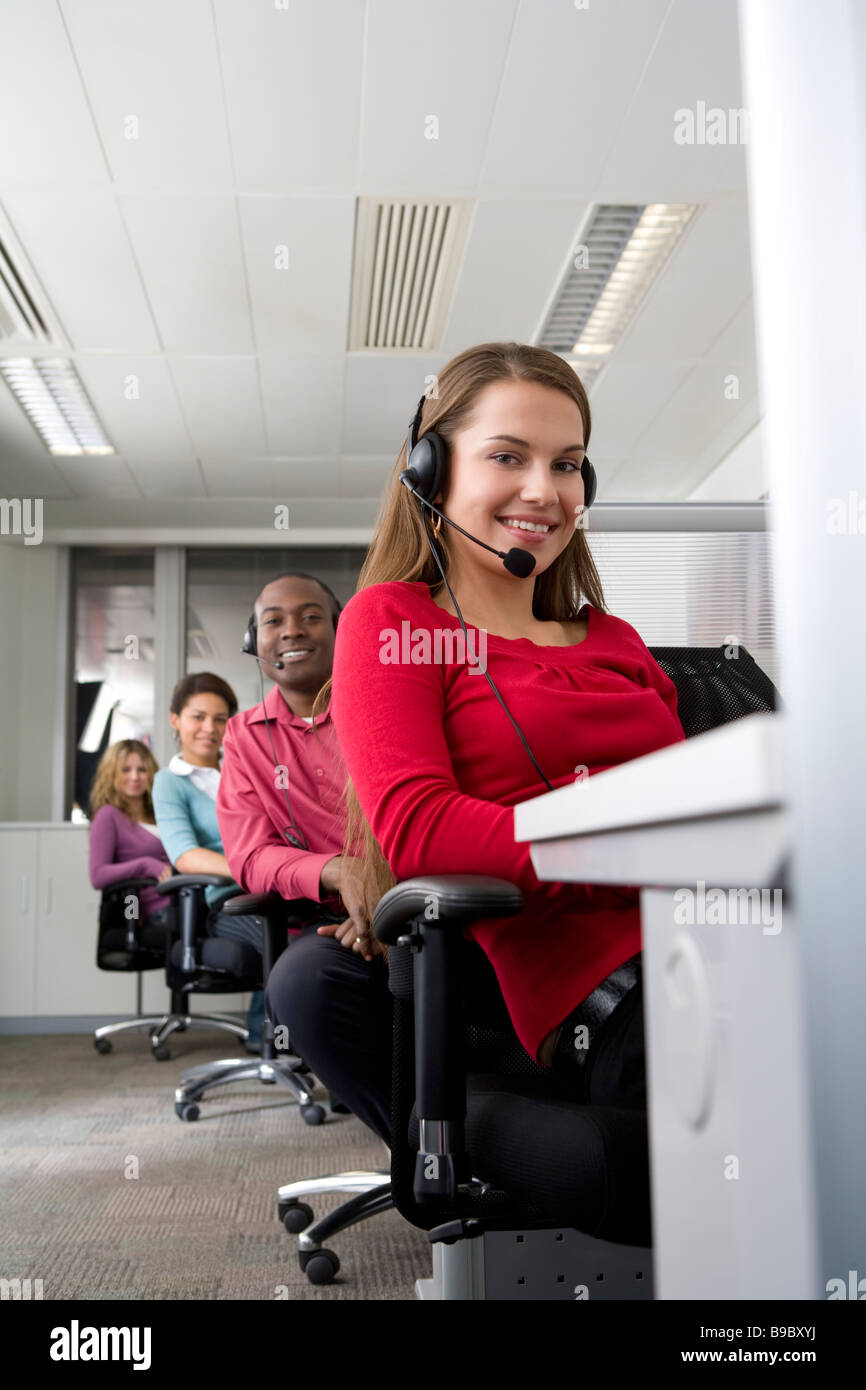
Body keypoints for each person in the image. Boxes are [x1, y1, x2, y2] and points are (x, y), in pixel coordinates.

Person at [271, 340, 687, 1140]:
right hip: (626, 987)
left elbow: (705, 803)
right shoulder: (394, 622)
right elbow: (423, 830)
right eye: (508, 456)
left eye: (568, 464)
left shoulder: (618, 640)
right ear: (431, 471)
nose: (545, 489)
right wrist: (640, 832)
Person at [216, 572, 385, 1129]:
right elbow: (248, 856)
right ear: (253, 642)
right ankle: (414, 1145)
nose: (293, 630)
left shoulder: (385, 703)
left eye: (312, 616)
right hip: (327, 925)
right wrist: (336, 871)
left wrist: (387, 896)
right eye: (274, 621)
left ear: (340, 632)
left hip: (418, 904)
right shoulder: (243, 738)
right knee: (298, 987)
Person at [151, 673, 265, 1050]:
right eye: (197, 717)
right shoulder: (170, 781)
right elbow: (185, 856)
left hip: (273, 886)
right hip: (224, 902)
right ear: (175, 720)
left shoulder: (243, 770)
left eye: (220, 719)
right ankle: (269, 1037)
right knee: (282, 941)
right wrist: (253, 868)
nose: (209, 728)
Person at [88, 739, 174, 939]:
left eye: (142, 770)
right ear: (112, 773)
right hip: (146, 909)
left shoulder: (158, 812)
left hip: (182, 896)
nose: (135, 777)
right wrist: (145, 865)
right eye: (126, 770)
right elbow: (98, 876)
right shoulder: (108, 815)